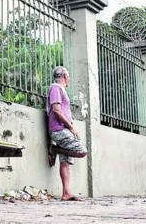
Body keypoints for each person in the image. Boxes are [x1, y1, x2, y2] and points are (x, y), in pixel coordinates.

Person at [46, 66, 88, 201]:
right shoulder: (56, 88)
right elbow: (57, 110)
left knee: (65, 162)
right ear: (65, 76)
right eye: (68, 77)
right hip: (59, 130)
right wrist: (71, 127)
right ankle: (54, 149)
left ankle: (66, 192)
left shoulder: (59, 89)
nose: (69, 79)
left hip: (61, 129)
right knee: (82, 151)